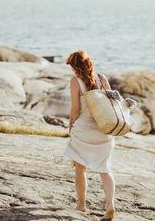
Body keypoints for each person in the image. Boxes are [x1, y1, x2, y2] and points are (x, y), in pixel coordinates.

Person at [63, 50, 115, 220]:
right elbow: (112, 104)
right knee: (105, 169)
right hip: (104, 129)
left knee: (80, 167)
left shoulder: (75, 81)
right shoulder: (102, 78)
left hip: (84, 130)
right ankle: (110, 206)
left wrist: (70, 125)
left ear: (75, 67)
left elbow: (75, 109)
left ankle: (82, 205)